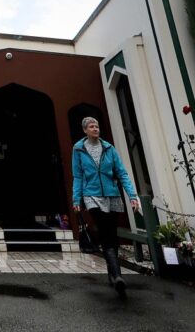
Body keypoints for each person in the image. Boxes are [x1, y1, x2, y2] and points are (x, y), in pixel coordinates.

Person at [72, 116, 139, 297]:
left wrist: (132, 195)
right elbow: (78, 176)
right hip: (92, 195)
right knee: (103, 229)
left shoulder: (109, 149)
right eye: (92, 127)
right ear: (85, 130)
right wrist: (76, 199)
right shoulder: (78, 149)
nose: (95, 129)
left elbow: (122, 172)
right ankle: (117, 275)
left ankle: (112, 271)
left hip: (112, 194)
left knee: (111, 232)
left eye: (97, 126)